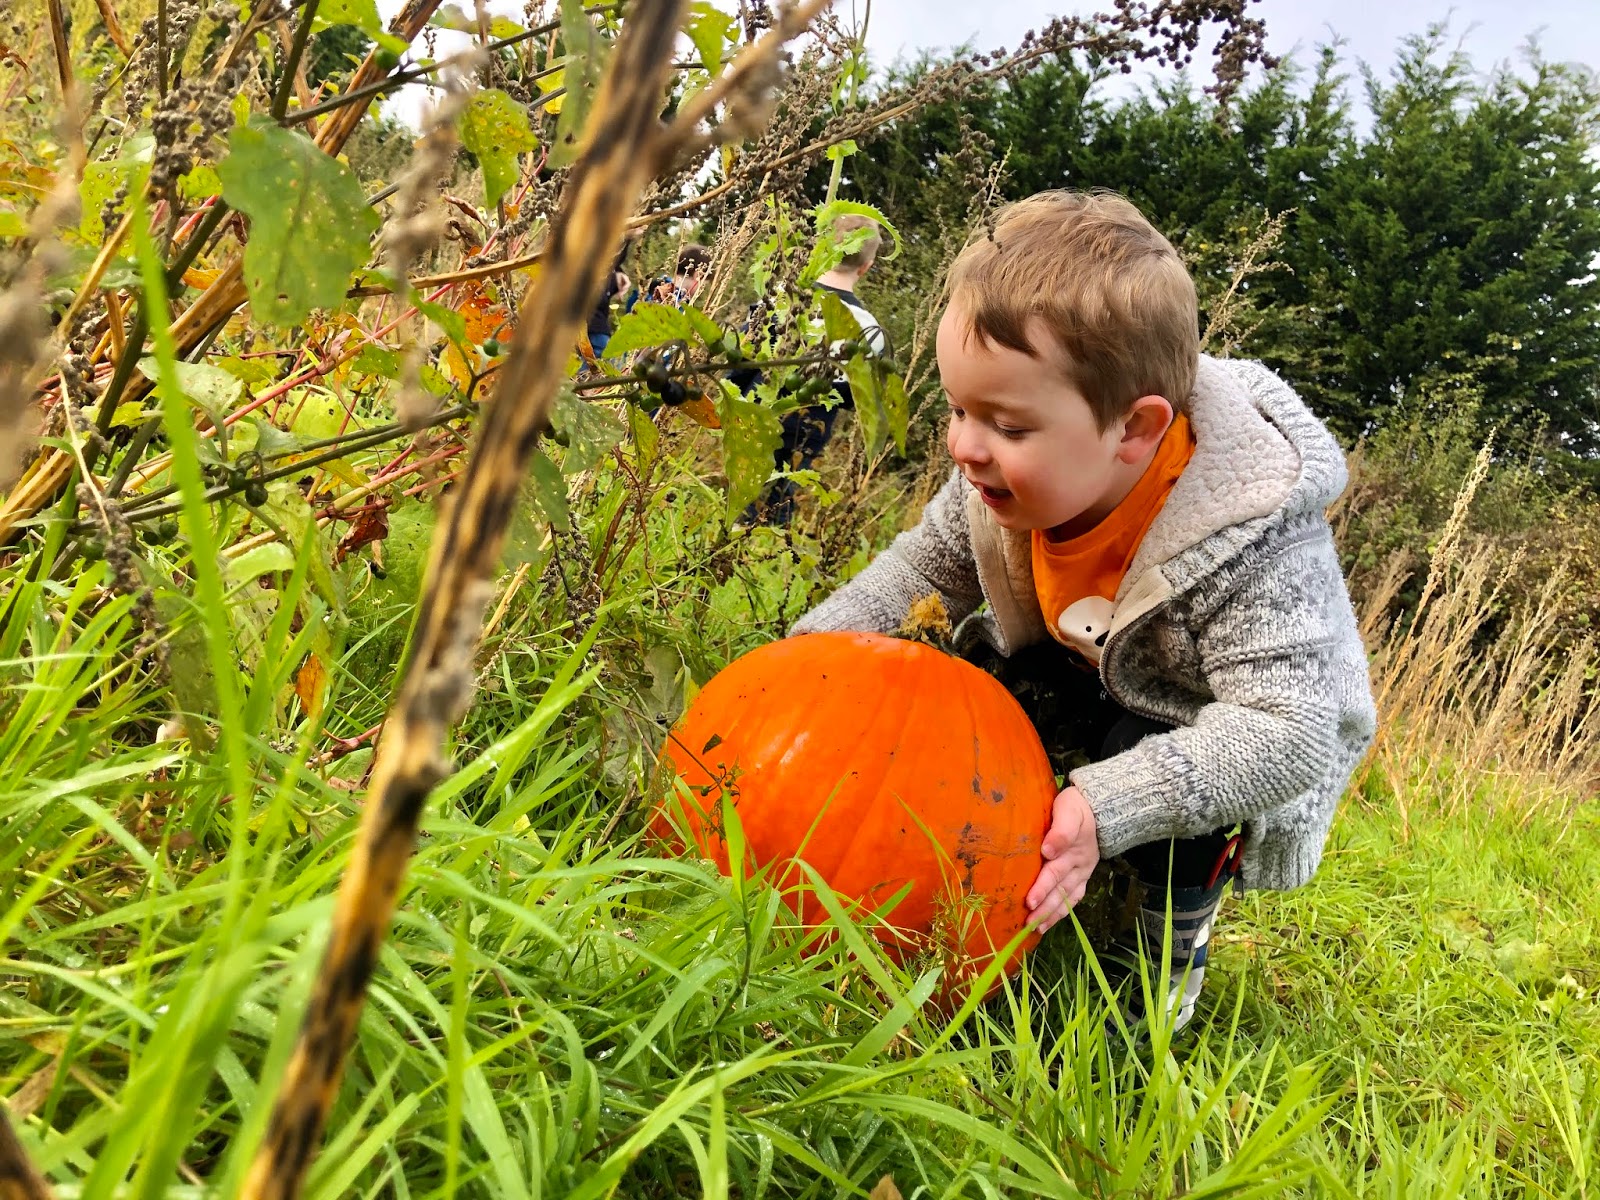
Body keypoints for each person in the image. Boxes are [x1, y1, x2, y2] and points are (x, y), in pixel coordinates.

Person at [791, 191, 1377, 1033]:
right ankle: (1008, 865)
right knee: (963, 679)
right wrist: (814, 654)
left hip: (1207, 725)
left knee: (1154, 779)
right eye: (959, 410)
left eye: (1005, 424)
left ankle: (1161, 963)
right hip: (1080, 667)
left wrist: (1112, 803)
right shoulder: (991, 482)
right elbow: (925, 570)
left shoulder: (1252, 536)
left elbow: (1289, 734)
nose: (964, 446)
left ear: (1134, 430)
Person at [746, 214, 887, 526]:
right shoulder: (869, 328)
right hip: (809, 430)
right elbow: (855, 399)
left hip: (755, 412)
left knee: (742, 489)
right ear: (867, 266)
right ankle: (766, 550)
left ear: (824, 247)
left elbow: (747, 349)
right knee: (781, 498)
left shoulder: (782, 294)